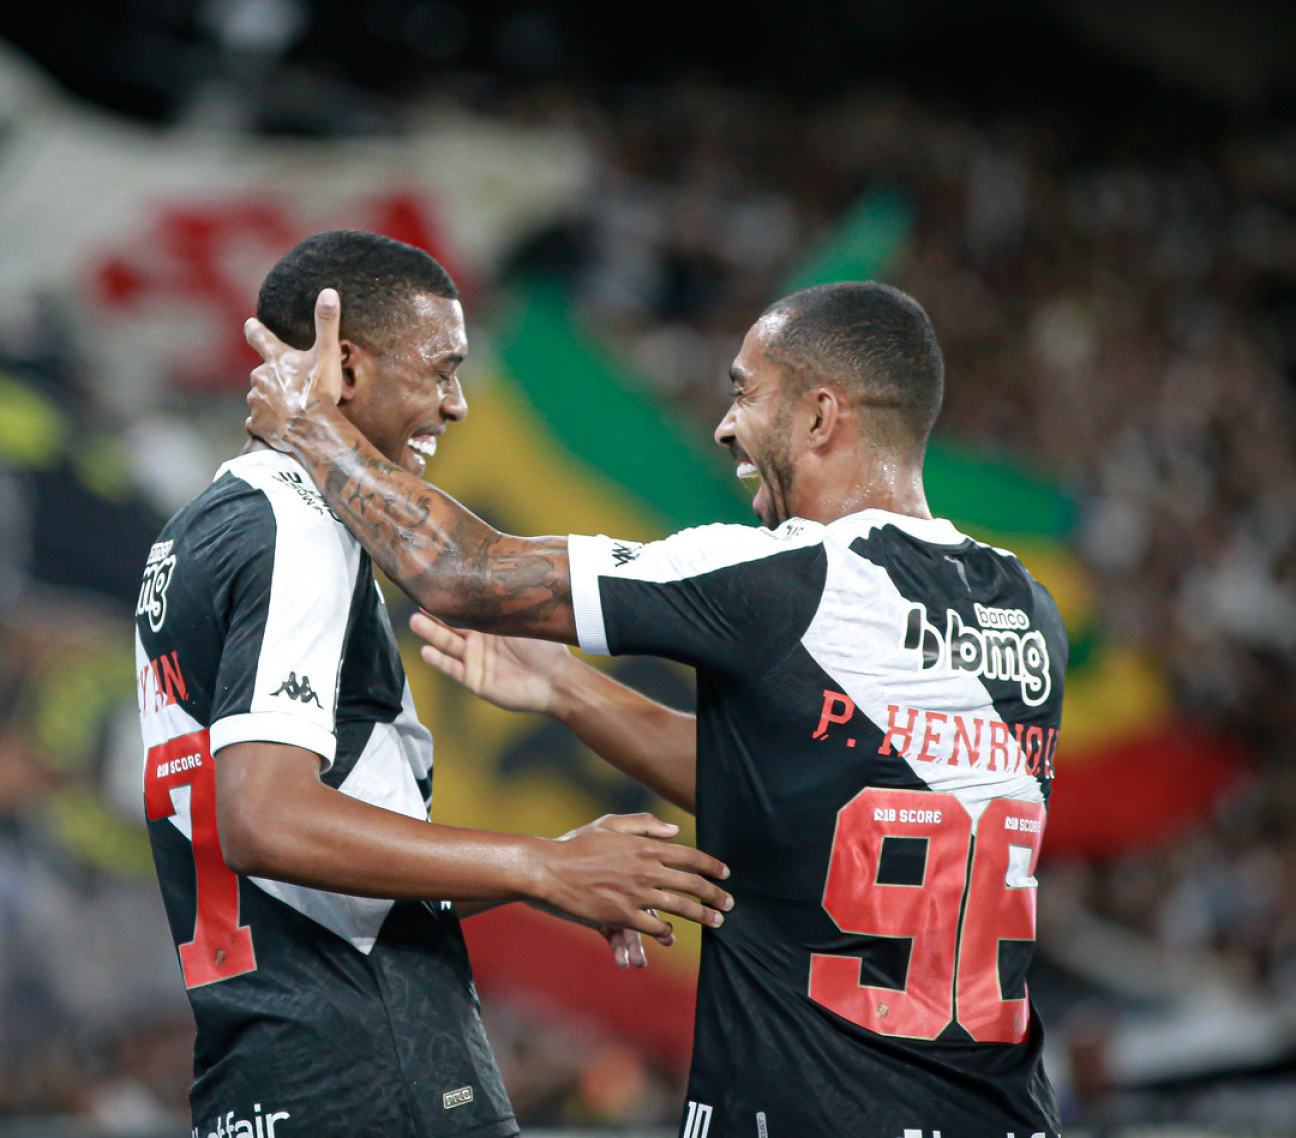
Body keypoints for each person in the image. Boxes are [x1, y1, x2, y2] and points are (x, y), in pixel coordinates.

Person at [244, 279, 1066, 1138]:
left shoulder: (785, 577)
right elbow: (813, 785)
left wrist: (310, 423)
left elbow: (463, 572)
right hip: (1002, 1112)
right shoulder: (1023, 609)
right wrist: (569, 689)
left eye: (746, 393)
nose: (725, 427)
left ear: (821, 416)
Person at [136, 229, 733, 1138]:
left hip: (261, 1074)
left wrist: (555, 868)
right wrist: (540, 864)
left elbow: (336, 885)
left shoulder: (192, 535)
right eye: (441, 370)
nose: (456, 404)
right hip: (375, 1073)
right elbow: (267, 819)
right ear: (345, 365)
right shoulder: (299, 527)